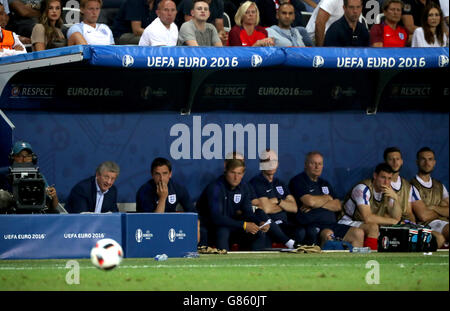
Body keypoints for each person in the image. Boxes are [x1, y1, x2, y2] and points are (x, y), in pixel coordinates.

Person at [289, 151, 364, 248]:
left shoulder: (325, 183)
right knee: (328, 234)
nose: (317, 167)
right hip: (313, 225)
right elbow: (309, 201)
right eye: (313, 163)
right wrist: (327, 198)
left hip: (331, 224)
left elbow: (337, 205)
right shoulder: (298, 181)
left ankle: (355, 263)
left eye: (320, 164)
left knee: (358, 233)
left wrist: (317, 204)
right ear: (305, 165)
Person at [196, 157, 270, 251]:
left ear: (243, 174)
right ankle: (223, 261)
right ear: (226, 171)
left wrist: (260, 222)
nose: (236, 177)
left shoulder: (244, 187)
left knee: (257, 232)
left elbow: (248, 213)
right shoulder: (215, 188)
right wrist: (244, 225)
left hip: (232, 225)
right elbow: (217, 218)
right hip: (211, 227)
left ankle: (253, 263)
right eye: (233, 173)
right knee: (223, 230)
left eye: (239, 173)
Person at [338, 163, 402, 250]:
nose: (386, 182)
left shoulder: (388, 190)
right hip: (346, 222)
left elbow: (397, 217)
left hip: (362, 223)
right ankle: (371, 257)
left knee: (385, 227)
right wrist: (393, 221)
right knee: (373, 227)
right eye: (383, 177)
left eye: (389, 178)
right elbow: (367, 218)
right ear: (375, 176)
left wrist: (395, 198)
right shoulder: (362, 188)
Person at [249, 149, 299, 249]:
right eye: (267, 161)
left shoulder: (280, 183)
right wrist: (284, 205)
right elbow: (265, 208)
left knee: (301, 232)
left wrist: (277, 201)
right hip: (267, 225)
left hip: (284, 224)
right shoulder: (256, 182)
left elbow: (294, 207)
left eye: (274, 161)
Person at [0, 141, 59, 212]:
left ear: (33, 158)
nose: (24, 159)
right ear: (12, 158)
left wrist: (54, 196)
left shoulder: (38, 175)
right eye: (20, 156)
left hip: (33, 211)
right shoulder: (3, 174)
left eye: (28, 156)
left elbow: (53, 206)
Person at [410, 147, 449, 248]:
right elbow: (423, 216)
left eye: (430, 159)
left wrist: (433, 207)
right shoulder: (412, 185)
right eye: (423, 159)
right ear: (417, 162)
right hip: (427, 224)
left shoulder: (439, 185)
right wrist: (442, 208)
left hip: (444, 222)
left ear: (434, 162)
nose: (427, 163)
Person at [383, 147, 416, 222]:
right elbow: (382, 213)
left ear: (402, 161)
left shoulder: (407, 186)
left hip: (403, 224)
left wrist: (413, 225)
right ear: (385, 162)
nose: (395, 162)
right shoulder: (381, 183)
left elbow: (409, 212)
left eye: (397, 159)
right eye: (391, 159)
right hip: (387, 224)